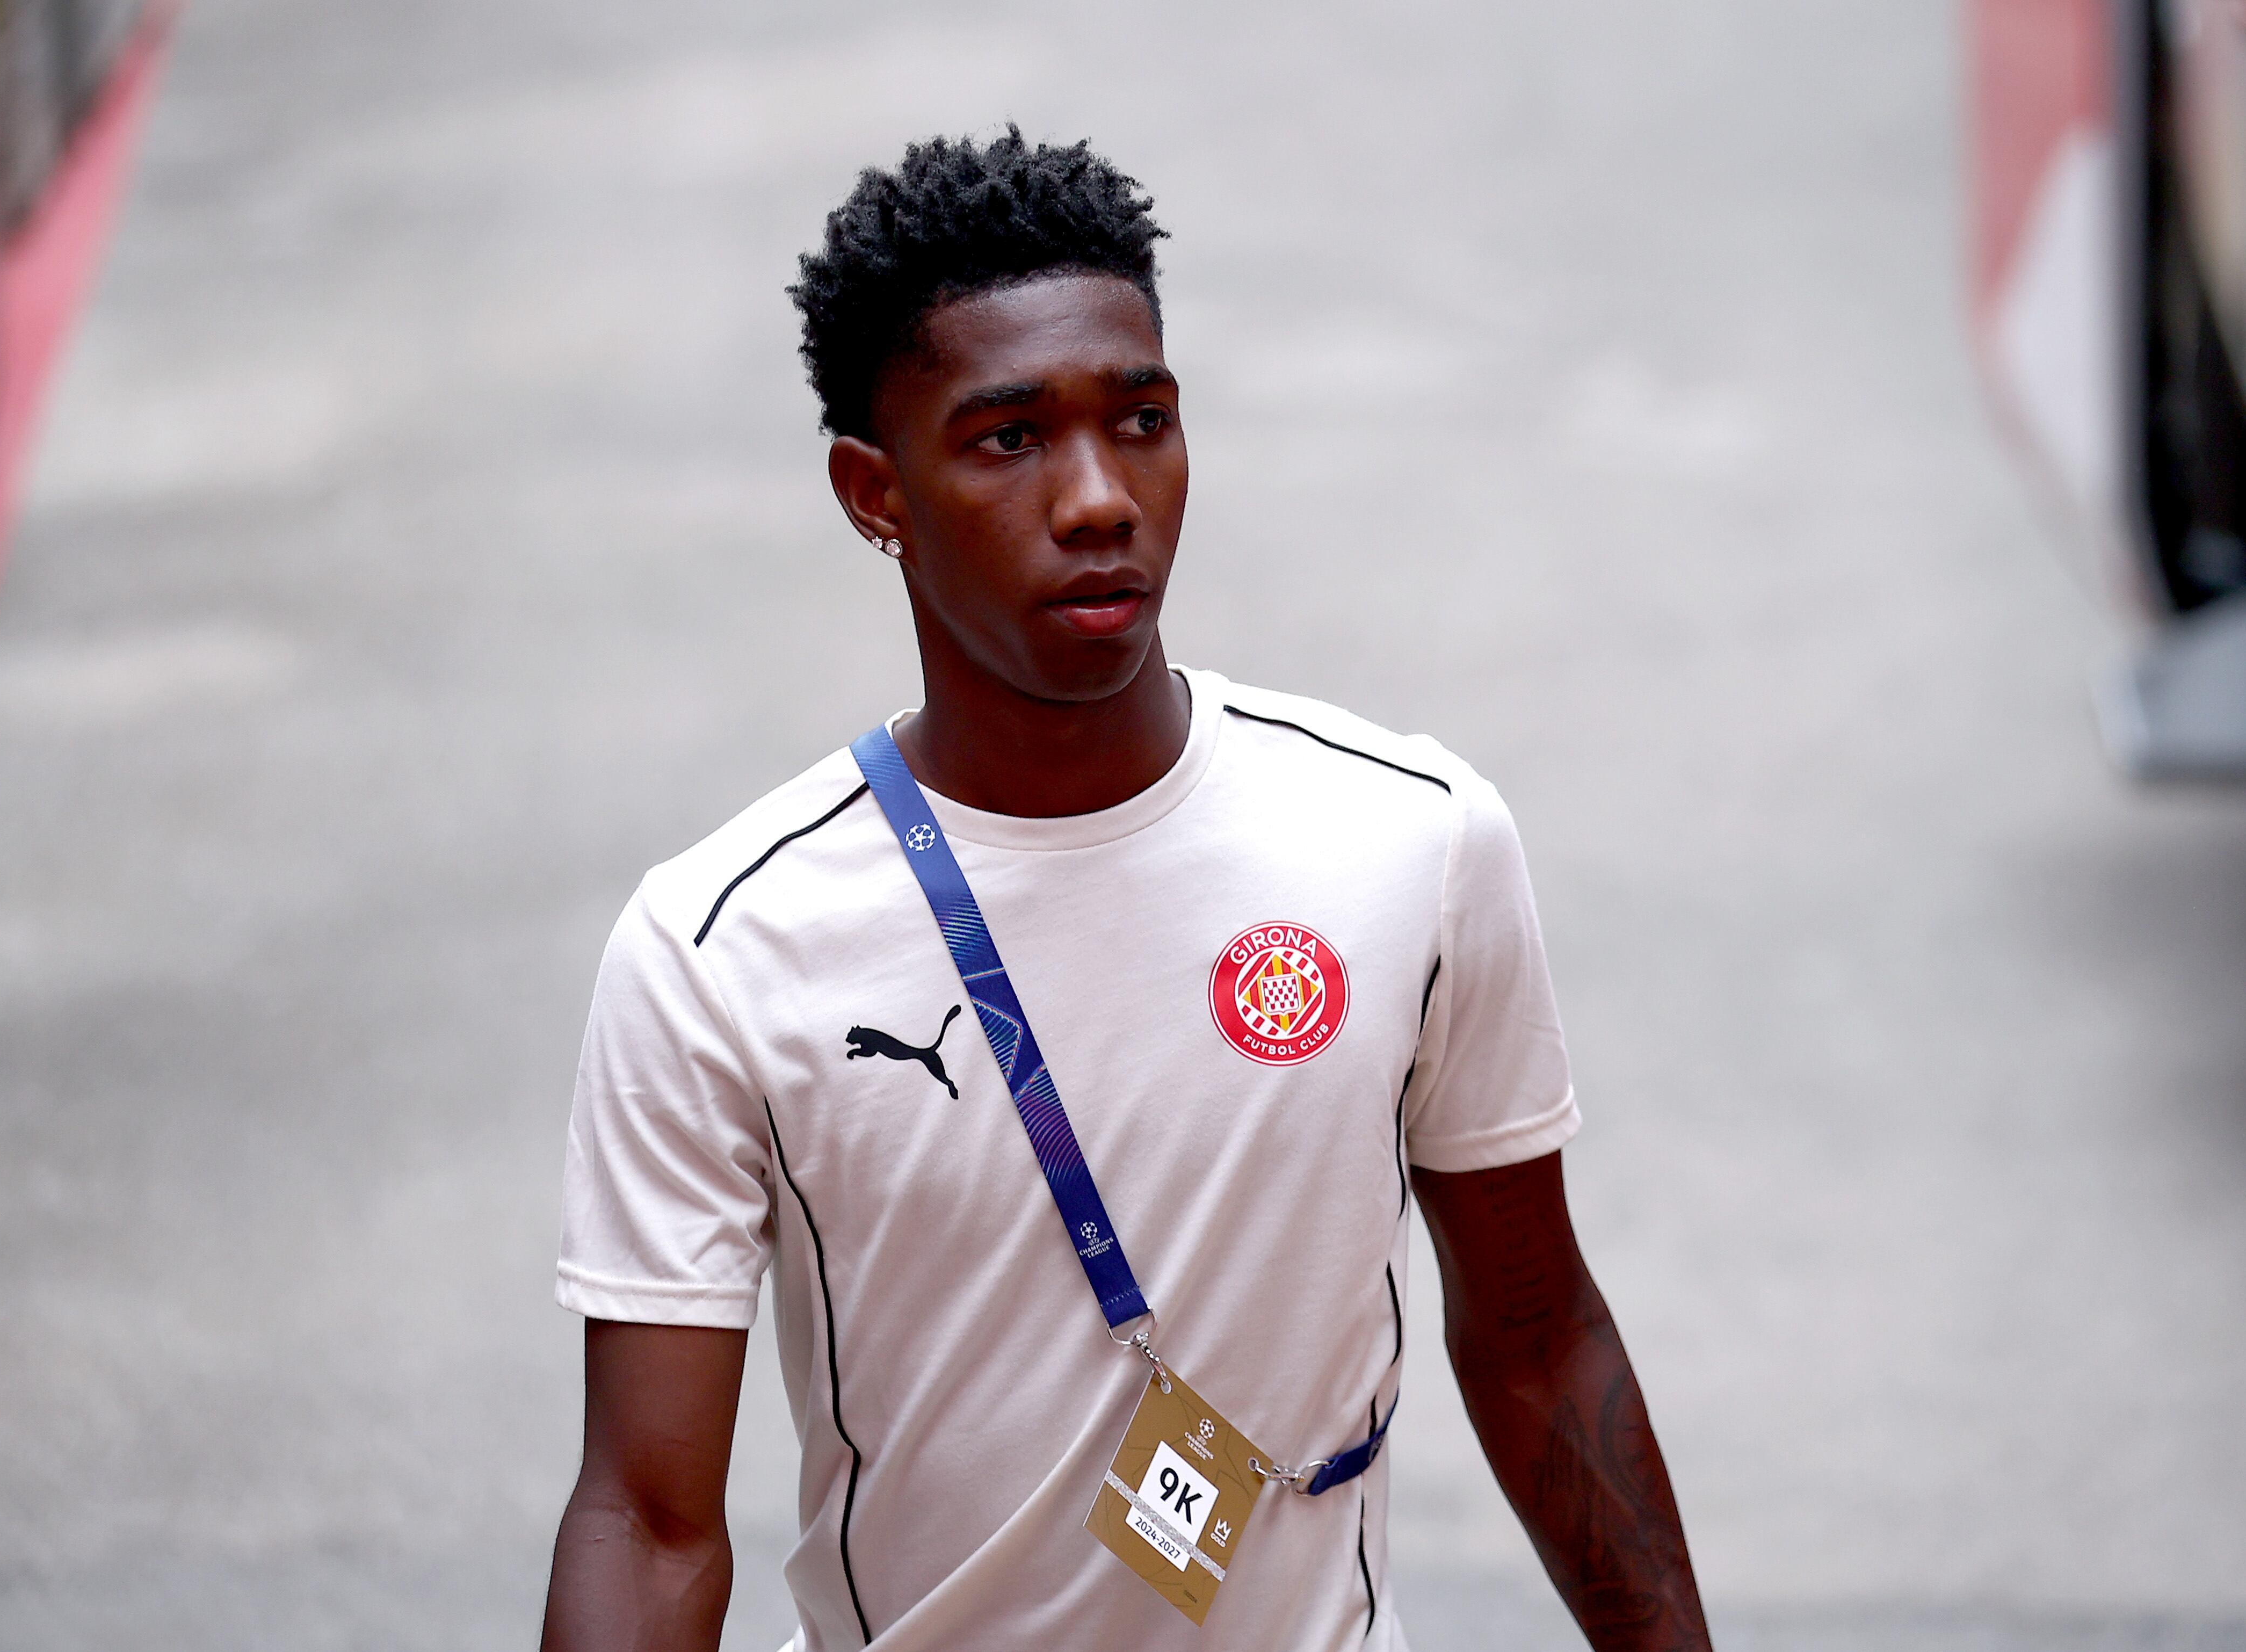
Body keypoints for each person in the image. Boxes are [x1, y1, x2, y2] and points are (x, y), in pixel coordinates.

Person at [541, 128, 1711, 1652]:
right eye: (1007, 439)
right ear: (872, 492)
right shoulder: (722, 948)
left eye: (1141, 420)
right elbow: (648, 1521)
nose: (1100, 498)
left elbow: (1539, 1342)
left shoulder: (1406, 840)